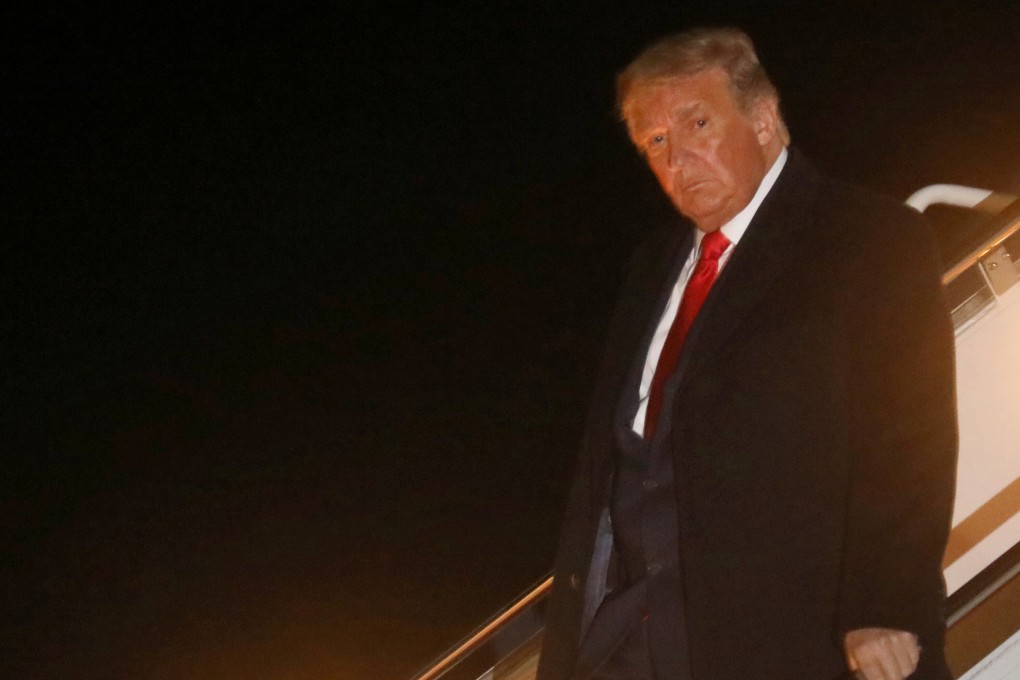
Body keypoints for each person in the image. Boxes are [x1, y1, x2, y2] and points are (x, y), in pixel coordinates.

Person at [537, 28, 957, 680]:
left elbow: (909, 436)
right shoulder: (652, 266)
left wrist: (884, 603)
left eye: (697, 124)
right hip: (628, 635)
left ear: (762, 118)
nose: (677, 159)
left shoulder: (867, 238)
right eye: (655, 142)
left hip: (787, 637)